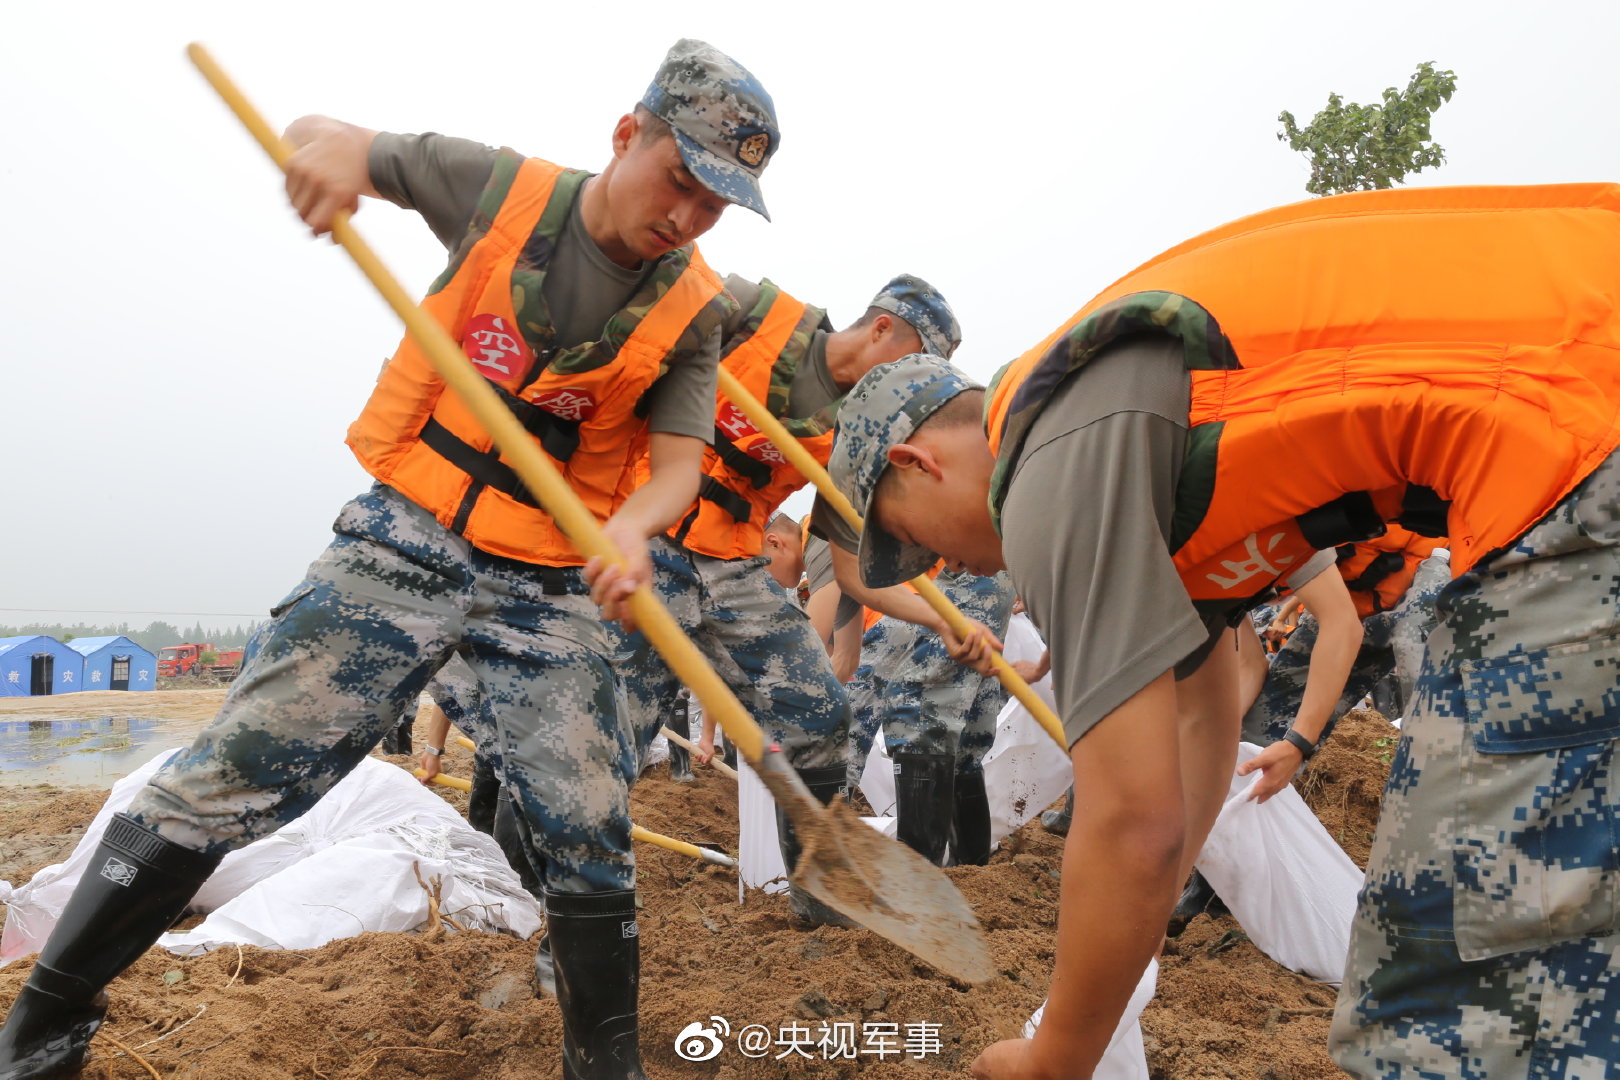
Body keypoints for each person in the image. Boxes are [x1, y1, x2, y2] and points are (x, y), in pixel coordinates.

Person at [0, 39, 780, 1080]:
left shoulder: (695, 311)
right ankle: (41, 1029)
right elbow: (332, 139)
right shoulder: (499, 189)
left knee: (590, 826)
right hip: (407, 538)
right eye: (680, 179)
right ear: (626, 133)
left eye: (715, 204)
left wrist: (633, 529)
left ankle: (608, 1064)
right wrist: (320, 167)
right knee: (231, 773)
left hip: (545, 584)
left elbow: (678, 468)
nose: (686, 217)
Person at [826, 182, 1620, 1080]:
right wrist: (1118, 969)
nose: (946, 572)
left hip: (1578, 451)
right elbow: (1201, 724)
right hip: (1582, 402)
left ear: (917, 464)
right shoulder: (1123, 445)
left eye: (914, 542)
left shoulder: (1045, 463)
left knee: (1434, 1003)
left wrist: (1056, 1057)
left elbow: (1134, 821)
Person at [614, 273, 962, 924]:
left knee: (821, 712)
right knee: (613, 737)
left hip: (733, 569)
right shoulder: (753, 314)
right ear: (882, 328)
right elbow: (642, 320)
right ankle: (579, 922)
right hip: (647, 538)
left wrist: (945, 624)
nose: (909, 386)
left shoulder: (857, 432)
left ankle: (816, 896)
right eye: (913, 364)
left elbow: (856, 576)